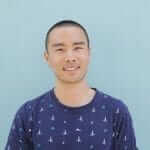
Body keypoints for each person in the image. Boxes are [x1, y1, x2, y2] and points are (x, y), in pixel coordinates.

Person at [5, 20, 138, 150]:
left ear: (88, 53)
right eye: (60, 49)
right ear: (47, 57)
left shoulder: (116, 111)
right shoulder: (28, 114)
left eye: (77, 48)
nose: (70, 57)